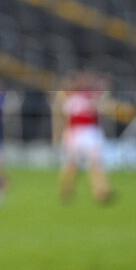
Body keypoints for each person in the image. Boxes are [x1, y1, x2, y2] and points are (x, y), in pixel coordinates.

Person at [53, 71, 113, 203]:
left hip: (91, 132)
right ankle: (66, 189)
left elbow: (101, 108)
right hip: (76, 132)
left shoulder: (93, 96)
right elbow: (65, 115)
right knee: (71, 164)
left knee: (95, 163)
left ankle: (101, 191)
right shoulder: (71, 97)